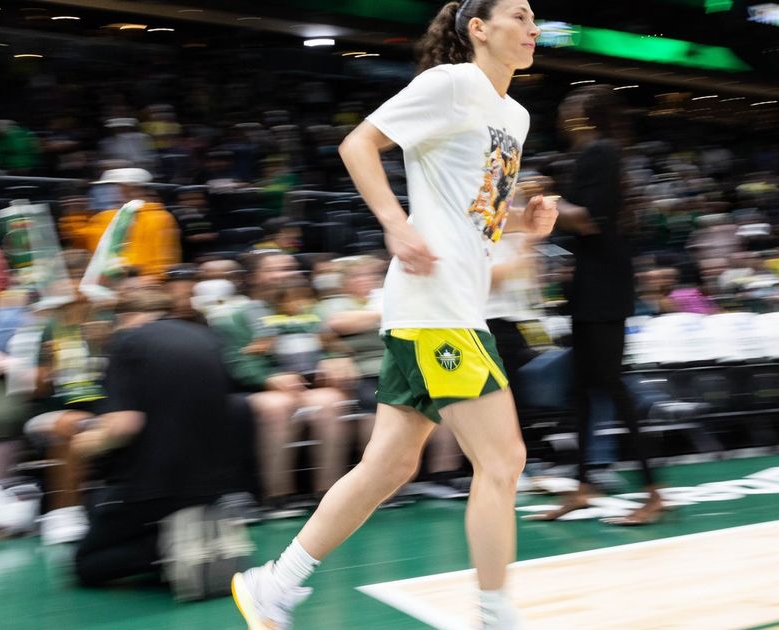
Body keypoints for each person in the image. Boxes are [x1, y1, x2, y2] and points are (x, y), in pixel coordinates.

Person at [230, 2, 554, 628]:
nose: (534, 26)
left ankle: (274, 584)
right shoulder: (451, 84)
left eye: (536, 16)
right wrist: (395, 225)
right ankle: (495, 618)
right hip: (435, 310)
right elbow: (359, 144)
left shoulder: (515, 114)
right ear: (479, 30)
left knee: (391, 463)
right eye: (520, 13)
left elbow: (474, 214)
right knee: (503, 461)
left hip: (457, 305)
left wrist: (525, 231)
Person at [528, 84, 665, 526]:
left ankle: (653, 493)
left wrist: (542, 200)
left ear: (584, 115)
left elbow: (587, 220)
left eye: (569, 106)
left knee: (611, 385)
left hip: (603, 285)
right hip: (594, 282)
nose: (562, 113)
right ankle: (583, 487)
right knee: (584, 389)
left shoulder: (600, 153)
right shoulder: (597, 155)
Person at [70, 288, 241, 596]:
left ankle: (171, 551)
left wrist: (83, 444)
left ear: (122, 318)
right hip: (211, 482)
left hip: (154, 484)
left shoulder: (127, 341)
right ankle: (191, 540)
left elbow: (124, 425)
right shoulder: (206, 337)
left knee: (86, 565)